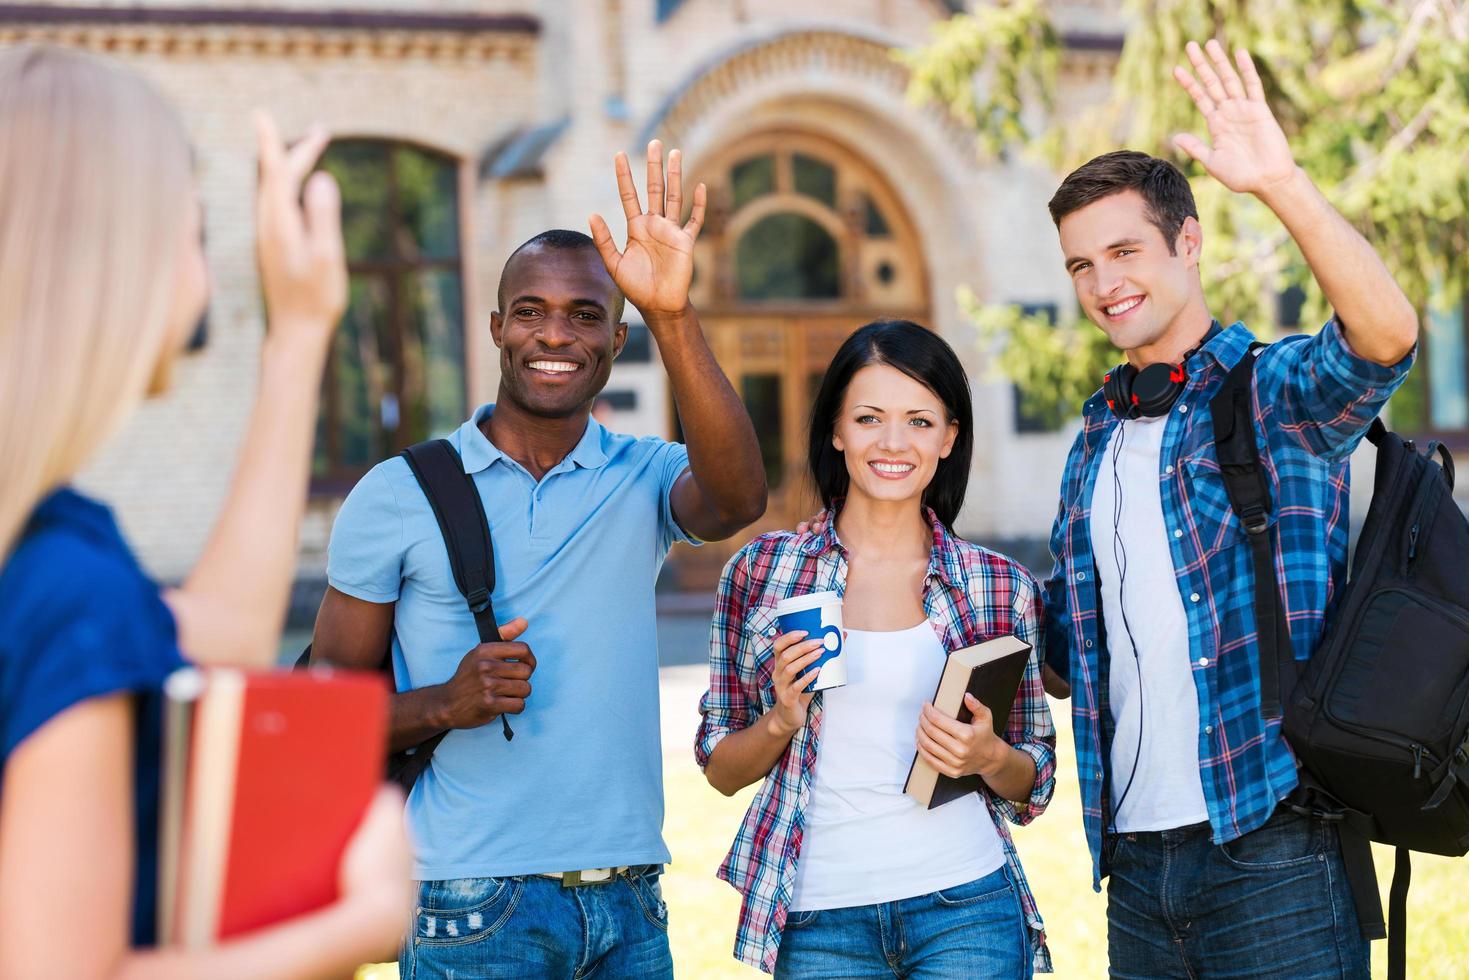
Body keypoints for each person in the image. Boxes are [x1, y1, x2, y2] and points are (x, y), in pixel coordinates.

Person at [0, 45, 412, 978]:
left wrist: (301, 330)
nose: (205, 274)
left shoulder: (48, 550)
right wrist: (364, 920)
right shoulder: (64, 586)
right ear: (119, 263)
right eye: (192, 234)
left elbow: (216, 635)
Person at [310, 142, 766, 978]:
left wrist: (672, 314)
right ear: (496, 328)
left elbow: (737, 499)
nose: (554, 334)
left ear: (615, 338)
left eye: (585, 315)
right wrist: (446, 701)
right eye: (529, 310)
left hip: (629, 899)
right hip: (468, 902)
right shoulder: (396, 492)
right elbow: (324, 714)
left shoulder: (644, 474)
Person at [1041, 40, 1417, 979]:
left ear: (1187, 241)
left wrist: (1280, 181)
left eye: (1123, 250)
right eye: (1080, 265)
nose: (1102, 284)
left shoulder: (1273, 394)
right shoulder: (1092, 440)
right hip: (1131, 863)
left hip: (1273, 843)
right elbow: (1066, 651)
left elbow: (1384, 337)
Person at [697, 320, 1057, 977]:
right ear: (835, 431)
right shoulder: (763, 574)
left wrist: (988, 755)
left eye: (920, 421)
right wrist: (780, 719)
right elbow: (720, 770)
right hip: (818, 921)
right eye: (868, 418)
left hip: (967, 907)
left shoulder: (997, 584)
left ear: (949, 438)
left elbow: (1033, 778)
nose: (893, 443)